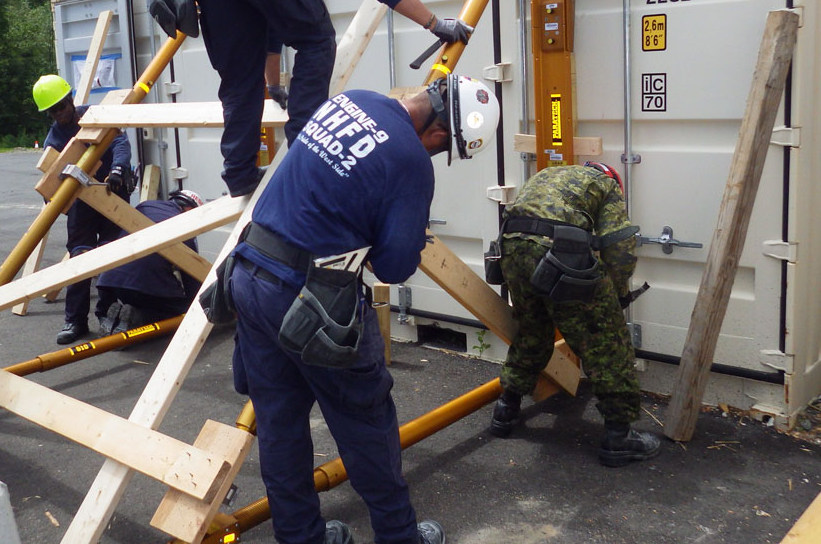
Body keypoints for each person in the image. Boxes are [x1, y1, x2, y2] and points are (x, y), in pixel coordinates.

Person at [222, 75, 500, 544]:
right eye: (443, 148)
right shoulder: (411, 161)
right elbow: (394, 265)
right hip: (309, 299)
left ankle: (300, 537)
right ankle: (399, 537)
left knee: (279, 422)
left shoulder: (352, 101)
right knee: (366, 423)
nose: (436, 153)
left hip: (248, 276)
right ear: (439, 134)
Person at [188, 0, 473, 197]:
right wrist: (435, 24)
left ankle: (239, 174)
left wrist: (273, 86)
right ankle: (303, 156)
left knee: (241, 75)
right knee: (319, 38)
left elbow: (272, 27)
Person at [488, 162, 662, 468]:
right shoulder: (605, 185)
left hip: (511, 251)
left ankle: (506, 409)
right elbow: (620, 246)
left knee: (532, 332)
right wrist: (617, 292)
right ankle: (619, 437)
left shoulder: (546, 174)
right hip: (555, 251)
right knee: (607, 343)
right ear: (613, 179)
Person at [32, 74, 133, 344]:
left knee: (112, 254)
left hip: (112, 191)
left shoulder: (93, 116)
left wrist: (117, 169)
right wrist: (52, 197)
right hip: (81, 201)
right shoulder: (54, 137)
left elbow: (120, 143)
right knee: (80, 257)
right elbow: (52, 173)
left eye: (61, 107)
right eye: (52, 111)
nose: (59, 114)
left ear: (70, 100)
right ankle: (74, 321)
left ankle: (107, 313)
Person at [94, 189, 205, 334]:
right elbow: (192, 276)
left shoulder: (145, 206)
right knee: (180, 312)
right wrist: (197, 307)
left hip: (110, 281)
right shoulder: (185, 227)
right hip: (146, 287)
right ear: (190, 209)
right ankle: (139, 317)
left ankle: (109, 315)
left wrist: (102, 308)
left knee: (126, 276)